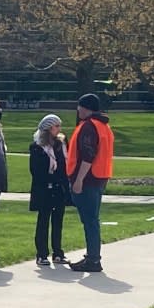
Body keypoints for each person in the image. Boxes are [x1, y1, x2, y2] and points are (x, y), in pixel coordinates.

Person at [67, 93, 114, 273]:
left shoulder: (88, 126)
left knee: (90, 221)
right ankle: (92, 257)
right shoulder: (104, 126)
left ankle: (93, 259)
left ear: (86, 108)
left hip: (88, 179)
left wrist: (78, 180)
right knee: (92, 219)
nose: (78, 110)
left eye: (80, 106)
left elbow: (88, 155)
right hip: (100, 178)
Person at [29, 114, 70, 267]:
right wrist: (49, 179)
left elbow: (65, 164)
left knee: (58, 220)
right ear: (48, 128)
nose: (59, 129)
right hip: (44, 189)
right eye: (56, 126)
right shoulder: (37, 147)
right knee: (43, 221)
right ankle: (41, 254)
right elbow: (36, 170)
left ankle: (58, 252)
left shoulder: (61, 144)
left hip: (59, 188)